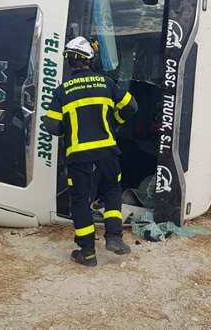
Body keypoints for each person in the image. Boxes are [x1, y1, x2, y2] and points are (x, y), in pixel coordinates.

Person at [41, 36, 138, 266]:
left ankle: (88, 253)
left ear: (70, 62)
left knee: (80, 201)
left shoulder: (62, 91)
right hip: (107, 151)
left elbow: (52, 125)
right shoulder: (106, 83)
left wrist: (69, 128)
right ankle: (114, 237)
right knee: (113, 190)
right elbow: (131, 107)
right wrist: (113, 121)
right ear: (89, 60)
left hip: (79, 155)